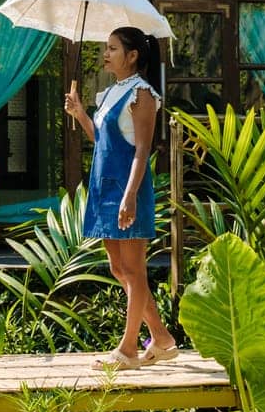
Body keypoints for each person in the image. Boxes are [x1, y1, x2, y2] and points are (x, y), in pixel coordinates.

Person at [64, 27, 179, 370]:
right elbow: (102, 141)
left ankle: (128, 349)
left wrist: (129, 197)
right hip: (105, 188)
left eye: (112, 48)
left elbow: (142, 150)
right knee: (119, 268)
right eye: (105, 47)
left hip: (129, 189)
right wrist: (81, 114)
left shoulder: (142, 94)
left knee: (134, 269)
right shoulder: (112, 92)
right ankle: (161, 338)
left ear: (132, 56)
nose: (105, 53)